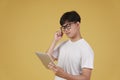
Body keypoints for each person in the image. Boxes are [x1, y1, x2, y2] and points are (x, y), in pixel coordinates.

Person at [47, 11, 94, 80]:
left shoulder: (86, 49)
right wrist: (55, 40)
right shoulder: (63, 44)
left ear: (77, 25)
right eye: (64, 27)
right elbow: (47, 59)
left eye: (68, 26)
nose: (66, 30)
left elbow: (86, 78)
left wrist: (65, 75)